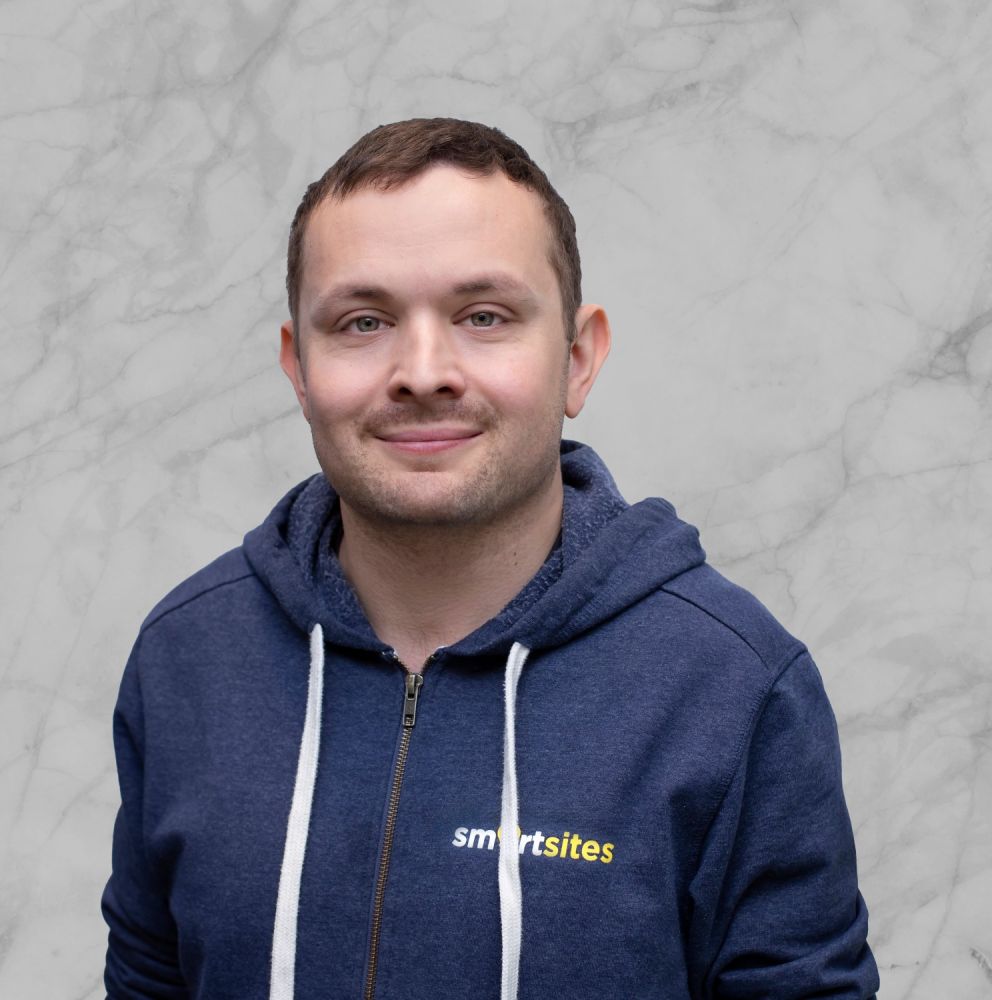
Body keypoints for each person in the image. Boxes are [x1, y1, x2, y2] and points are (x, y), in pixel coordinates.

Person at [102, 118, 879, 1000]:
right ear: (299, 368)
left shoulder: (733, 686)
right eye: (363, 321)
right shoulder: (186, 658)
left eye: (483, 316)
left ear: (577, 359)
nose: (423, 371)